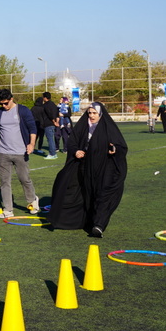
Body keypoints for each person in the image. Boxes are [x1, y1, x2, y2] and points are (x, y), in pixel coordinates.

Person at [48, 102, 128, 238]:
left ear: (100, 114)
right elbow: (72, 142)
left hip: (105, 167)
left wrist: (114, 149)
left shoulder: (108, 127)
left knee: (103, 194)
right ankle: (82, 220)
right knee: (78, 190)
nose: (91, 116)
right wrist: (76, 151)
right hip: (85, 166)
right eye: (89, 113)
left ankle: (99, 225)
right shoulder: (82, 126)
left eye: (94, 113)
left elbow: (121, 146)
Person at [0, 89, 39, 218]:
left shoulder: (23, 111)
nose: (4, 106)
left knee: (24, 179)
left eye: (6, 103)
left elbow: (32, 128)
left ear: (12, 99)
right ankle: (8, 209)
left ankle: (32, 201)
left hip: (21, 152)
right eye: (1, 104)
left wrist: (31, 144)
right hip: (4, 153)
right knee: (4, 181)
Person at [41, 92, 60, 159]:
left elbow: (50, 114)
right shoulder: (53, 104)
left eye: (43, 97)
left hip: (48, 124)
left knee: (50, 139)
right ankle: (53, 153)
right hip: (53, 124)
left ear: (45, 98)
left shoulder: (46, 105)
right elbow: (57, 113)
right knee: (51, 138)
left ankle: (52, 154)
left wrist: (54, 121)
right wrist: (57, 121)